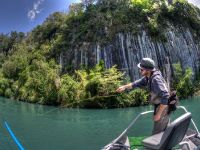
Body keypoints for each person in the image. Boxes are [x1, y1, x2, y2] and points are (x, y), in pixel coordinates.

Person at [116, 58, 170, 135]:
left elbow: (165, 96)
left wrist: (158, 114)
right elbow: (136, 83)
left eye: (141, 69)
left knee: (157, 135)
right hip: (162, 107)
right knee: (164, 133)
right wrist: (124, 87)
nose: (140, 71)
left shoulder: (155, 79)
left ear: (148, 70)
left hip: (163, 108)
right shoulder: (149, 77)